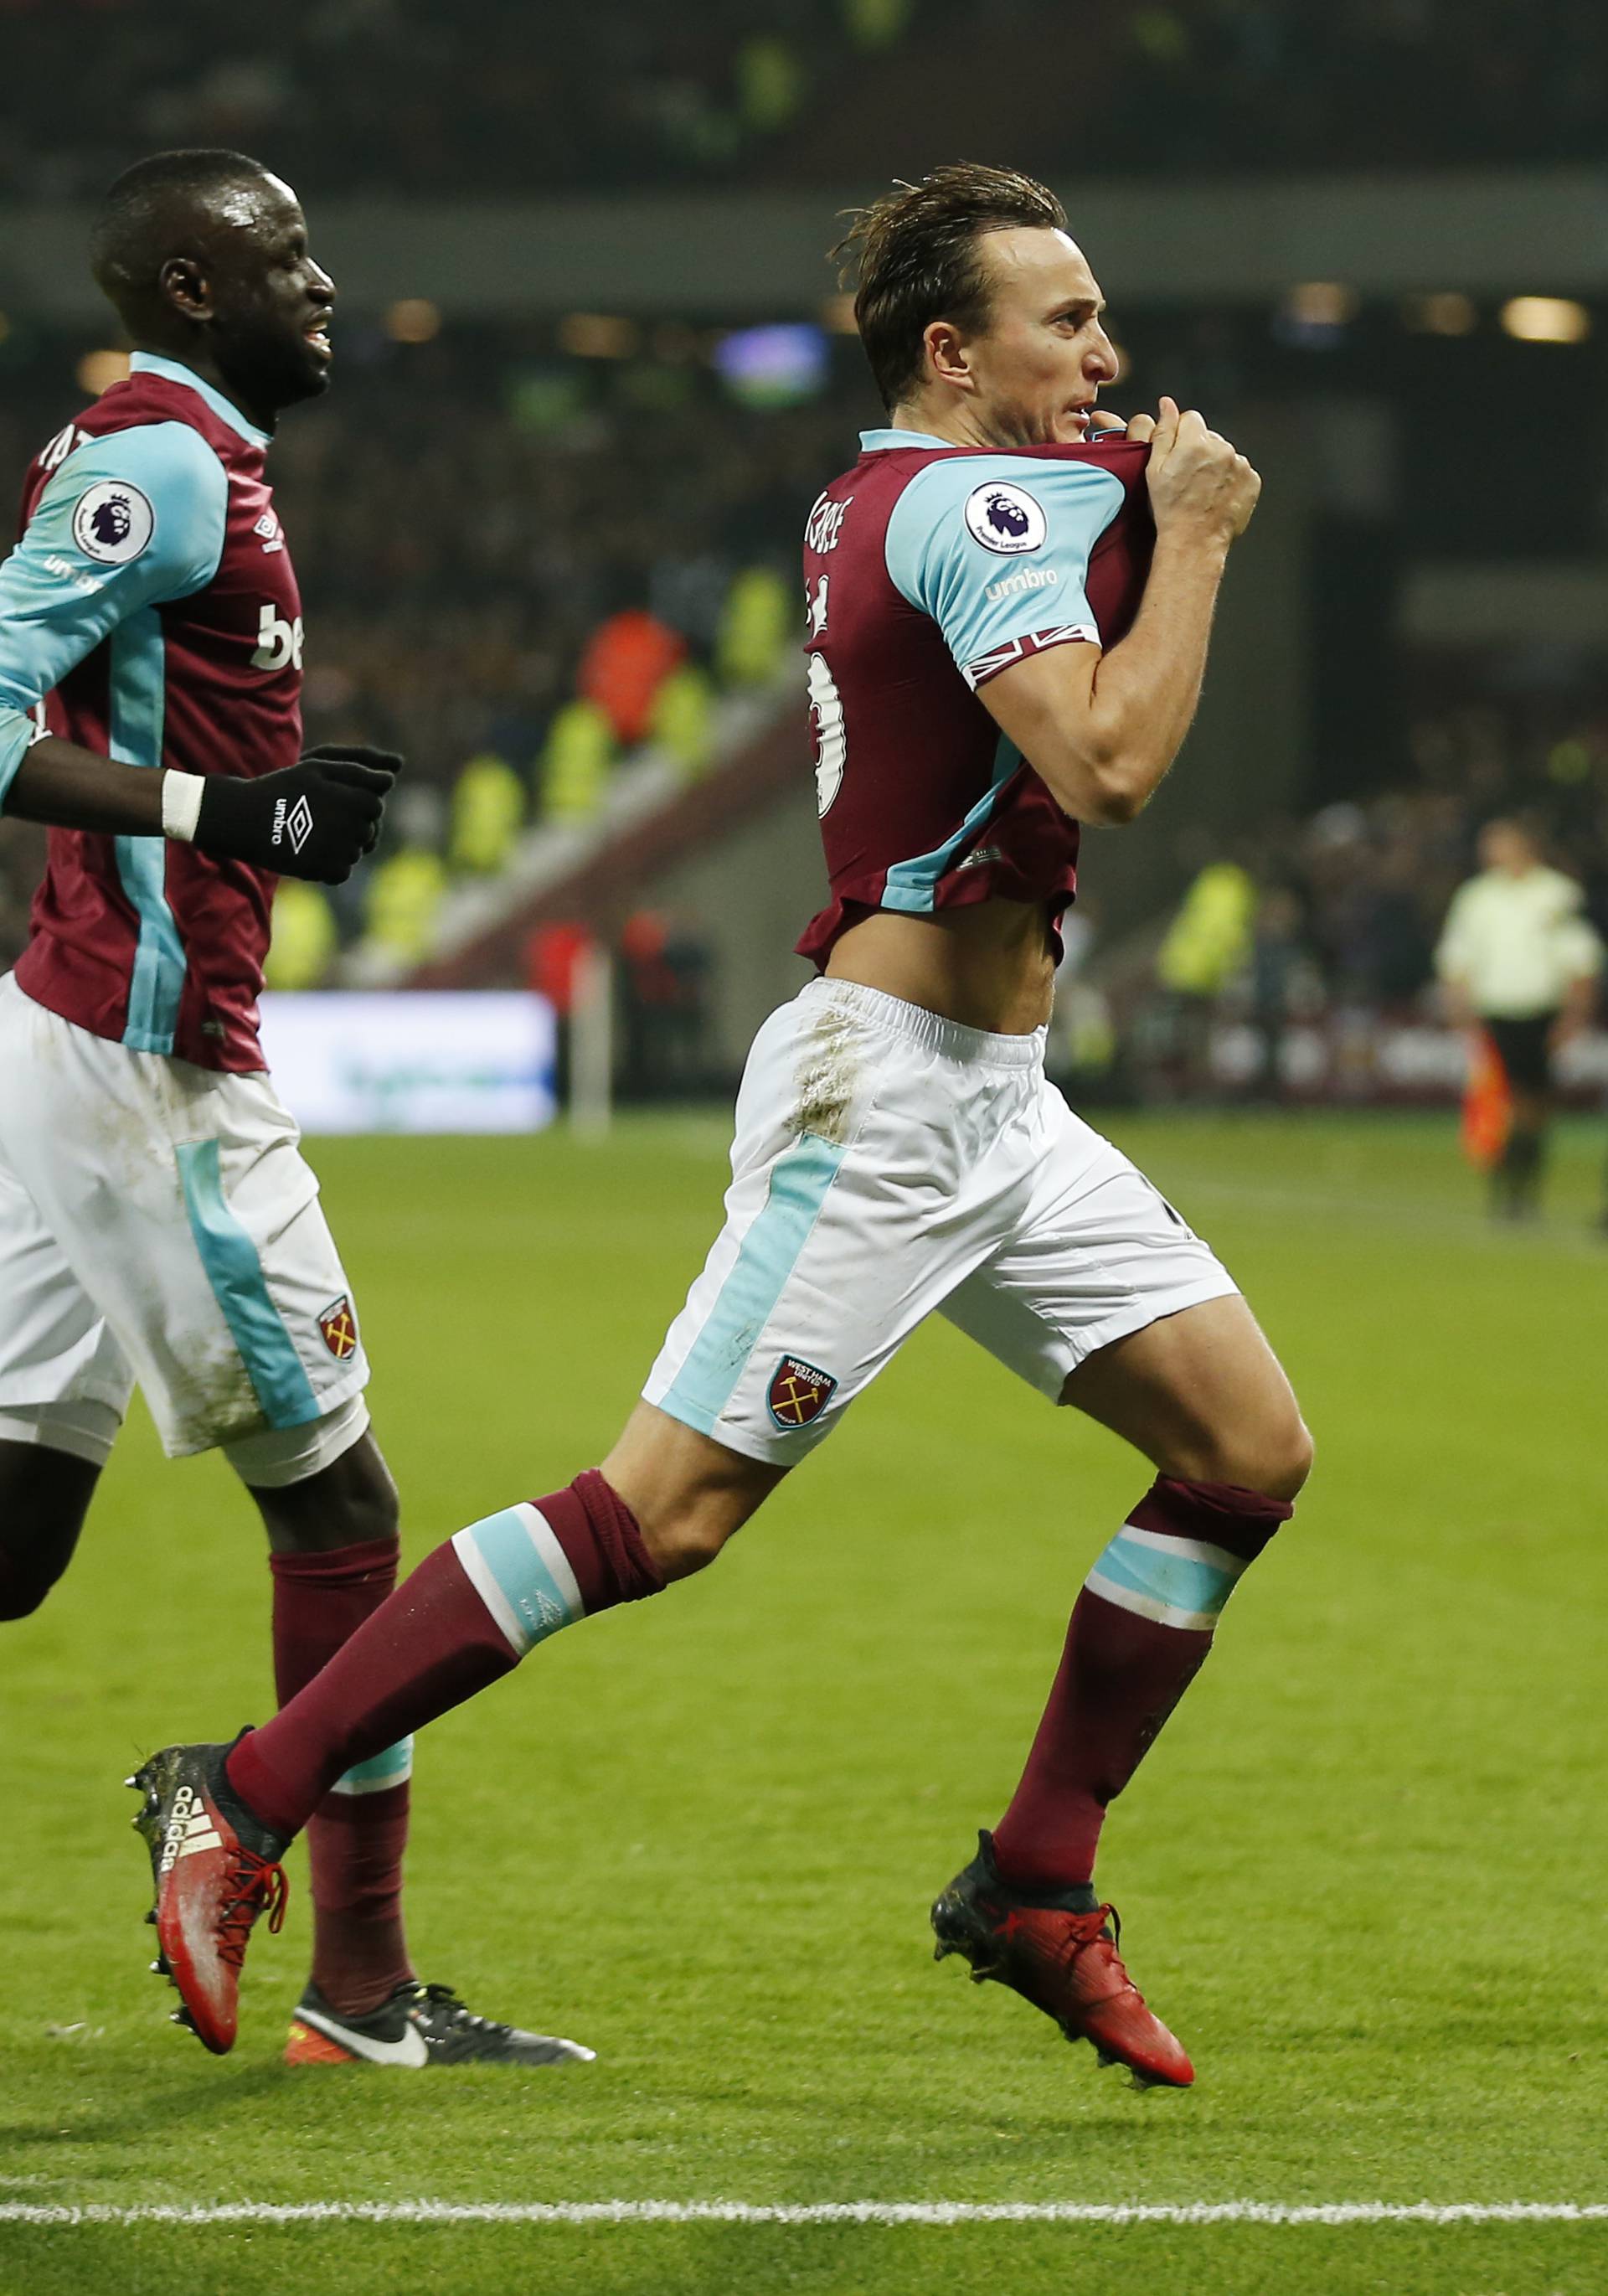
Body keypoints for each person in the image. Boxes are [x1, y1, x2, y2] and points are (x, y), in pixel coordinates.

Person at [131, 163, 1312, 2090]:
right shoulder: (976, 496)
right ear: (953, 352)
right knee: (654, 1514)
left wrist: (1143, 501)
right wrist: (1191, 535)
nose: (1106, 354)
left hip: (1004, 1110)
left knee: (1246, 1450)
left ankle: (1036, 1873)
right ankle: (240, 1791)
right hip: (885, 1096)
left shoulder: (892, 489)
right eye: (1063, 320)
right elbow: (1111, 757)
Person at [0, 149, 586, 2071]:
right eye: (283, 259)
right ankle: (355, 1973)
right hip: (150, 1064)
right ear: (188, 285)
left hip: (66, 1036)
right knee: (342, 1504)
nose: (325, 284)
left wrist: (238, 804)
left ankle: (355, 1972)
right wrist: (225, 814)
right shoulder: (153, 453)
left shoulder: (210, 460)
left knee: (13, 1534)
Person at [1435, 818, 1602, 1220]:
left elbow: (1581, 960)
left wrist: (1574, 1015)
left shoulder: (1557, 894)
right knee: (1500, 1101)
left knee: (1534, 1104)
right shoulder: (1477, 897)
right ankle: (1506, 1191)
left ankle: (1524, 1189)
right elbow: (1457, 958)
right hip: (1494, 1012)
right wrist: (1458, 1008)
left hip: (1541, 1011)